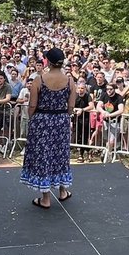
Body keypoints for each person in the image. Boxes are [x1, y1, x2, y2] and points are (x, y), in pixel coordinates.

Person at [20, 47, 75, 209]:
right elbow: (71, 107)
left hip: (42, 120)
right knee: (60, 154)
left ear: (48, 62)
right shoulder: (70, 80)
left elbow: (32, 105)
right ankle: (63, 191)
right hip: (61, 120)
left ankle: (45, 198)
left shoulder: (39, 79)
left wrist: (34, 120)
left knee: (44, 155)